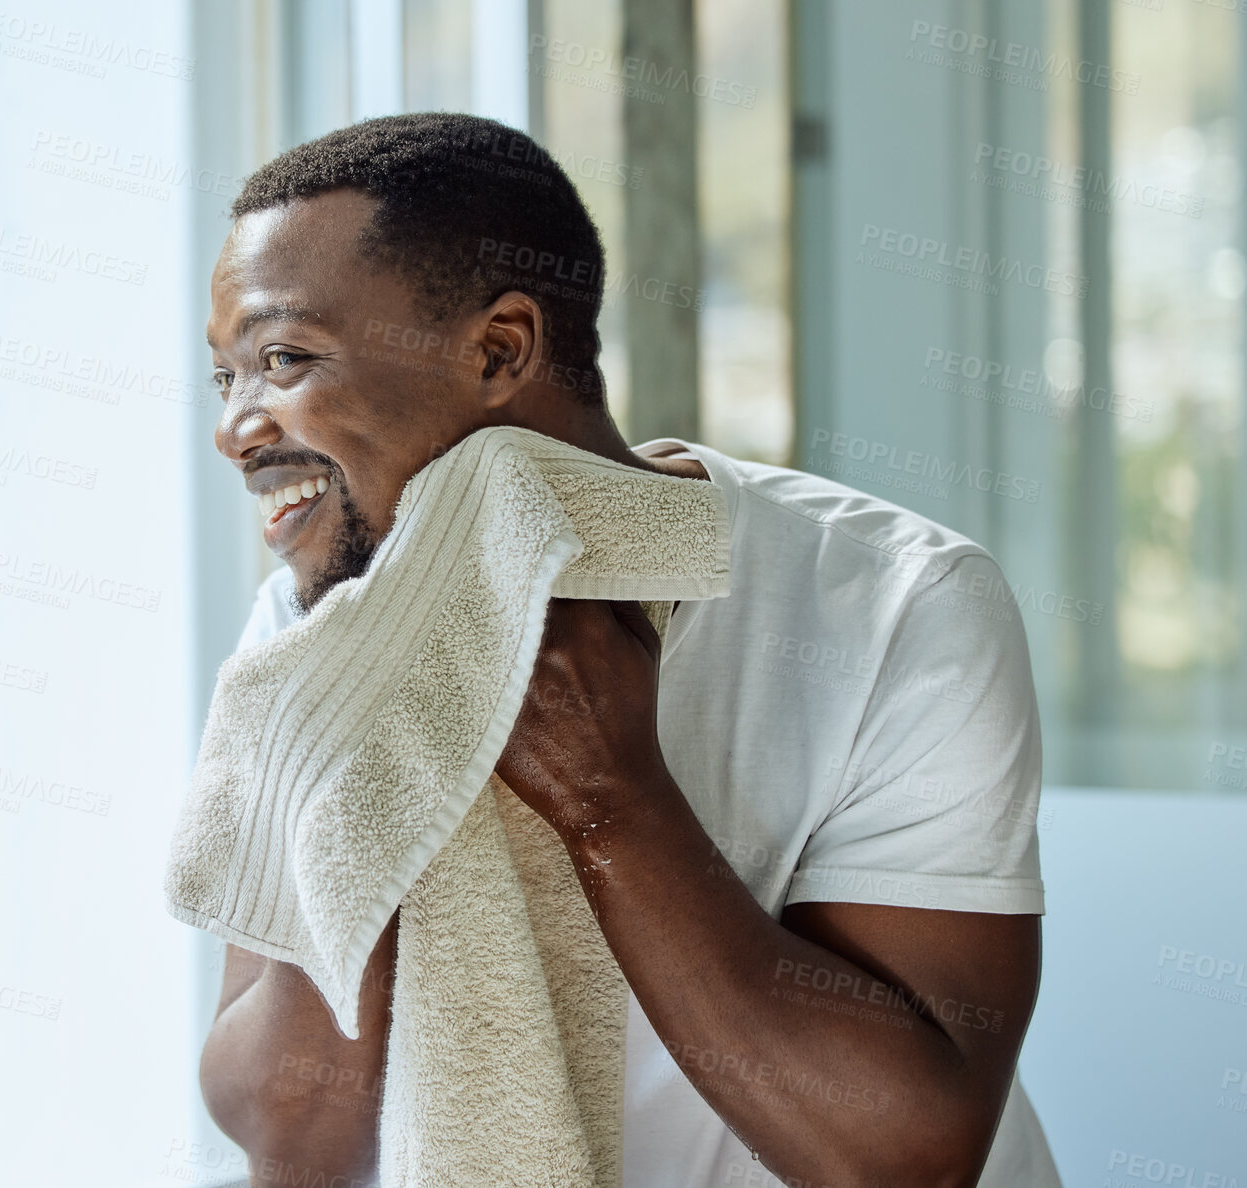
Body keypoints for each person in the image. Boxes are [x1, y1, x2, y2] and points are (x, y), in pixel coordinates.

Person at [198, 111, 1061, 1188]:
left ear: (500, 348)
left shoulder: (895, 604)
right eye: (223, 379)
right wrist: (366, 785)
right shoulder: (313, 628)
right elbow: (288, 1143)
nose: (236, 428)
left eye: (282, 359)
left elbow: (902, 1161)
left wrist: (609, 799)